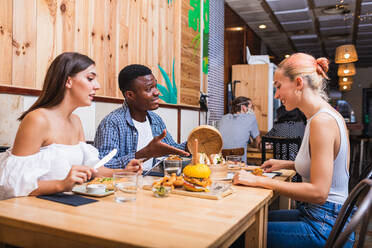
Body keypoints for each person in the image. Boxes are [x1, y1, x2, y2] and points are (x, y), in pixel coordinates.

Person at [233, 53, 353, 247]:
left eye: (278, 86)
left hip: (324, 226)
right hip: (324, 216)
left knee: (241, 234)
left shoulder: (322, 122)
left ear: (298, 83)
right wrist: (289, 164)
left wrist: (259, 181)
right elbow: (325, 166)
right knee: (254, 221)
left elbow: (319, 192)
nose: (276, 95)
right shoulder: (321, 116)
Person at [0, 52, 142, 200]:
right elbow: (12, 183)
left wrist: (123, 171)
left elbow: (93, 169)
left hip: (68, 205)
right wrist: (61, 184)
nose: (97, 86)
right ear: (68, 81)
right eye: (90, 78)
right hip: (36, 209)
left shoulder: (75, 121)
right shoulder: (37, 119)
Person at [94, 64, 188, 171]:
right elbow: (102, 165)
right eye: (148, 89)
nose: (157, 92)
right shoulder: (112, 123)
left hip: (151, 182)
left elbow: (170, 149)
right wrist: (145, 153)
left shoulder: (156, 120)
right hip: (125, 185)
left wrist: (189, 145)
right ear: (130, 95)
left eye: (155, 86)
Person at [217, 96, 261, 163]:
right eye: (250, 108)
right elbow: (257, 143)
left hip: (222, 162)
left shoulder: (223, 118)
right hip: (239, 163)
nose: (252, 110)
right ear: (243, 107)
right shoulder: (251, 118)